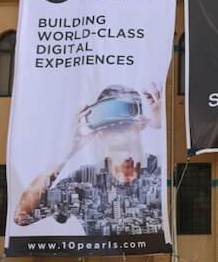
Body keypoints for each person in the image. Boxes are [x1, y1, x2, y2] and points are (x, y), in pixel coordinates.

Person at [14, 83, 163, 230]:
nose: (116, 125)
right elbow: (23, 216)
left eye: (125, 119)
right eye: (108, 123)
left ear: (142, 121)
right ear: (99, 131)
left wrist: (166, 125)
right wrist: (67, 151)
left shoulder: (163, 169)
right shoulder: (84, 181)